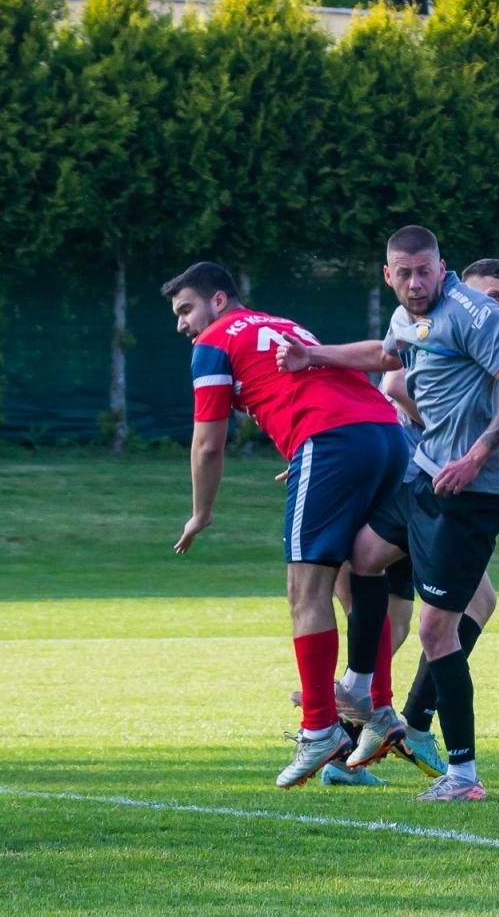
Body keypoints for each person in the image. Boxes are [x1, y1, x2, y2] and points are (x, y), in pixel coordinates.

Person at [277, 227, 499, 801]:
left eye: (425, 271)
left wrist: (476, 457)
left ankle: (464, 776)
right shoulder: (408, 316)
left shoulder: (473, 314)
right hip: (425, 475)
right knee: (361, 557)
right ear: (388, 274)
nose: (416, 282)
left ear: (442, 268)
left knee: (435, 628)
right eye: (405, 272)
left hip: (474, 493)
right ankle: (360, 684)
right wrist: (311, 357)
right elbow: (384, 355)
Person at [165, 261, 410, 790]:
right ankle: (376, 716)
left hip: (333, 442)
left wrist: (201, 513)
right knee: (356, 576)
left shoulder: (213, 342)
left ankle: (320, 728)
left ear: (220, 301)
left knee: (305, 590)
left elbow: (208, 442)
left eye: (187, 309)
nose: (183, 324)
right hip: (387, 437)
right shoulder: (281, 325)